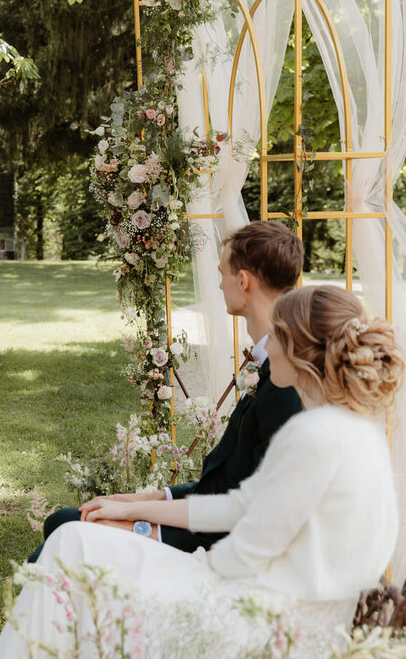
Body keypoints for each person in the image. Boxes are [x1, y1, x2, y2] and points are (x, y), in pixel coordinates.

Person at [0, 285, 403, 657]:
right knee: (73, 539)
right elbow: (242, 505)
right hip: (269, 597)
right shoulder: (346, 424)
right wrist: (134, 512)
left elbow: (247, 552)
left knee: (73, 547)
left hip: (265, 619)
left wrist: (182, 564)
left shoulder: (317, 433)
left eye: (276, 336)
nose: (266, 348)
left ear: (297, 349)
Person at [29, 221, 305, 559]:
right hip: (208, 513)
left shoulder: (284, 381)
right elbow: (225, 482)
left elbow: (245, 508)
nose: (219, 284)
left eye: (223, 274)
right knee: (63, 521)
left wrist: (139, 522)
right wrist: (133, 501)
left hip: (220, 542)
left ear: (243, 281)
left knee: (59, 540)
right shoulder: (269, 364)